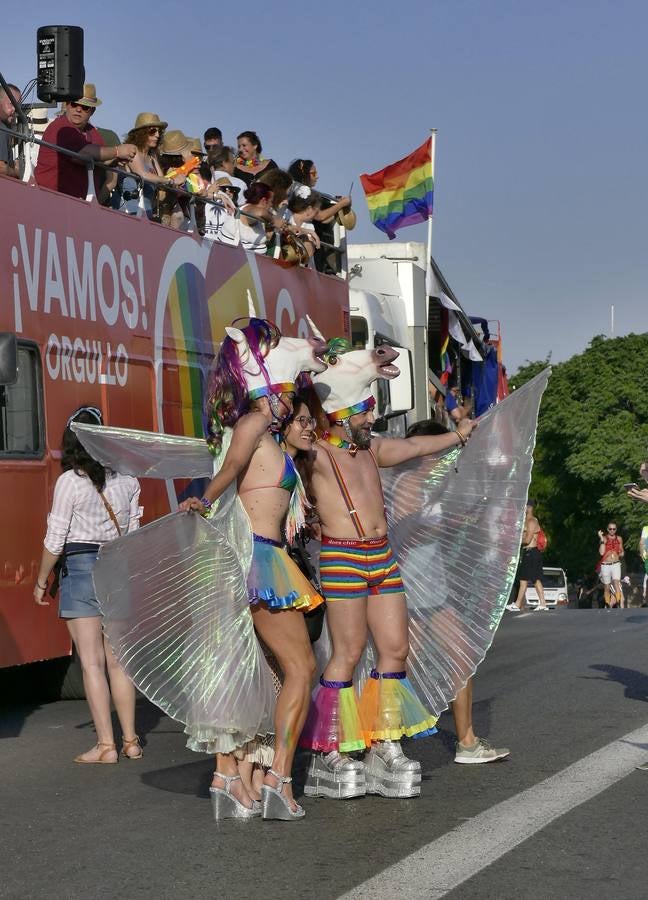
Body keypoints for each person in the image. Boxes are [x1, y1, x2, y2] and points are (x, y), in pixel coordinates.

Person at [299, 339, 474, 800]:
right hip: (341, 556)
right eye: (364, 411)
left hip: (381, 556)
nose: (371, 419)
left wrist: (458, 436)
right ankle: (330, 751)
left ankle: (383, 744)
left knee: (395, 649)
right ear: (341, 412)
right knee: (348, 652)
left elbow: (416, 444)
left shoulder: (370, 450)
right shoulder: (316, 453)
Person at [178, 318, 328, 820]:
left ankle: (235, 775)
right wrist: (203, 499)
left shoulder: (268, 427)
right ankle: (277, 781)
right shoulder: (254, 423)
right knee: (301, 669)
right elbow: (229, 470)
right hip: (261, 561)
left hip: (270, 556)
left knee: (267, 673)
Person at [33, 407, 143, 764]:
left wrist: (40, 580)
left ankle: (106, 746)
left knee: (92, 664)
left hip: (80, 569)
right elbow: (134, 532)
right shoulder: (127, 480)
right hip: (117, 565)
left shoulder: (69, 482)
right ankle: (131, 741)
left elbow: (55, 539)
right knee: (119, 663)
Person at [404, 419, 510, 764]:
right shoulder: (406, 484)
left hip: (433, 589)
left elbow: (431, 525)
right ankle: (375, 742)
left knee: (461, 657)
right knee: (398, 669)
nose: (439, 457)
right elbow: (403, 532)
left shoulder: (435, 485)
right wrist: (446, 523)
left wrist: (459, 520)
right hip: (407, 590)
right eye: (436, 450)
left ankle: (466, 742)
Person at [35, 84, 136, 198]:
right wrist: (117, 151)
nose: (78, 109)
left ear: (92, 111)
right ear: (67, 105)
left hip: (75, 203)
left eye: (85, 107)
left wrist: (115, 160)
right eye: (74, 104)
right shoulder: (61, 127)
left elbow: (95, 159)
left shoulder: (92, 131)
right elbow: (83, 154)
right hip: (50, 198)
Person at [507, 500, 548, 611]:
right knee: (524, 580)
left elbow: (528, 539)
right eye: (525, 506)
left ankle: (542, 604)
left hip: (532, 552)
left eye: (528, 506)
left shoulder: (531, 521)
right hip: (528, 553)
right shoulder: (524, 521)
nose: (526, 508)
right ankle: (518, 604)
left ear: (532, 508)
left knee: (534, 579)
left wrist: (515, 541)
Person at [216, 182, 274, 253]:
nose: (271, 205)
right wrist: (274, 220)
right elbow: (260, 212)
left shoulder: (254, 213)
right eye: (271, 202)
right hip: (234, 259)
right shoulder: (248, 209)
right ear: (263, 201)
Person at [598, 522, 625, 608]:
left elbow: (622, 551)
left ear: (616, 530)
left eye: (614, 529)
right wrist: (601, 538)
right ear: (607, 529)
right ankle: (607, 602)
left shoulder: (619, 538)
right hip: (605, 565)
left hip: (616, 564)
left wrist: (621, 553)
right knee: (607, 586)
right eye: (610, 529)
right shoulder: (604, 539)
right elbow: (601, 552)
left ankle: (617, 601)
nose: (612, 531)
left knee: (616, 582)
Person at [0, 83, 22, 178]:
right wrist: (17, 172)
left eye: (17, 106)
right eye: (11, 104)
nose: (14, 110)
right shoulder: (2, 128)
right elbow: (1, 169)